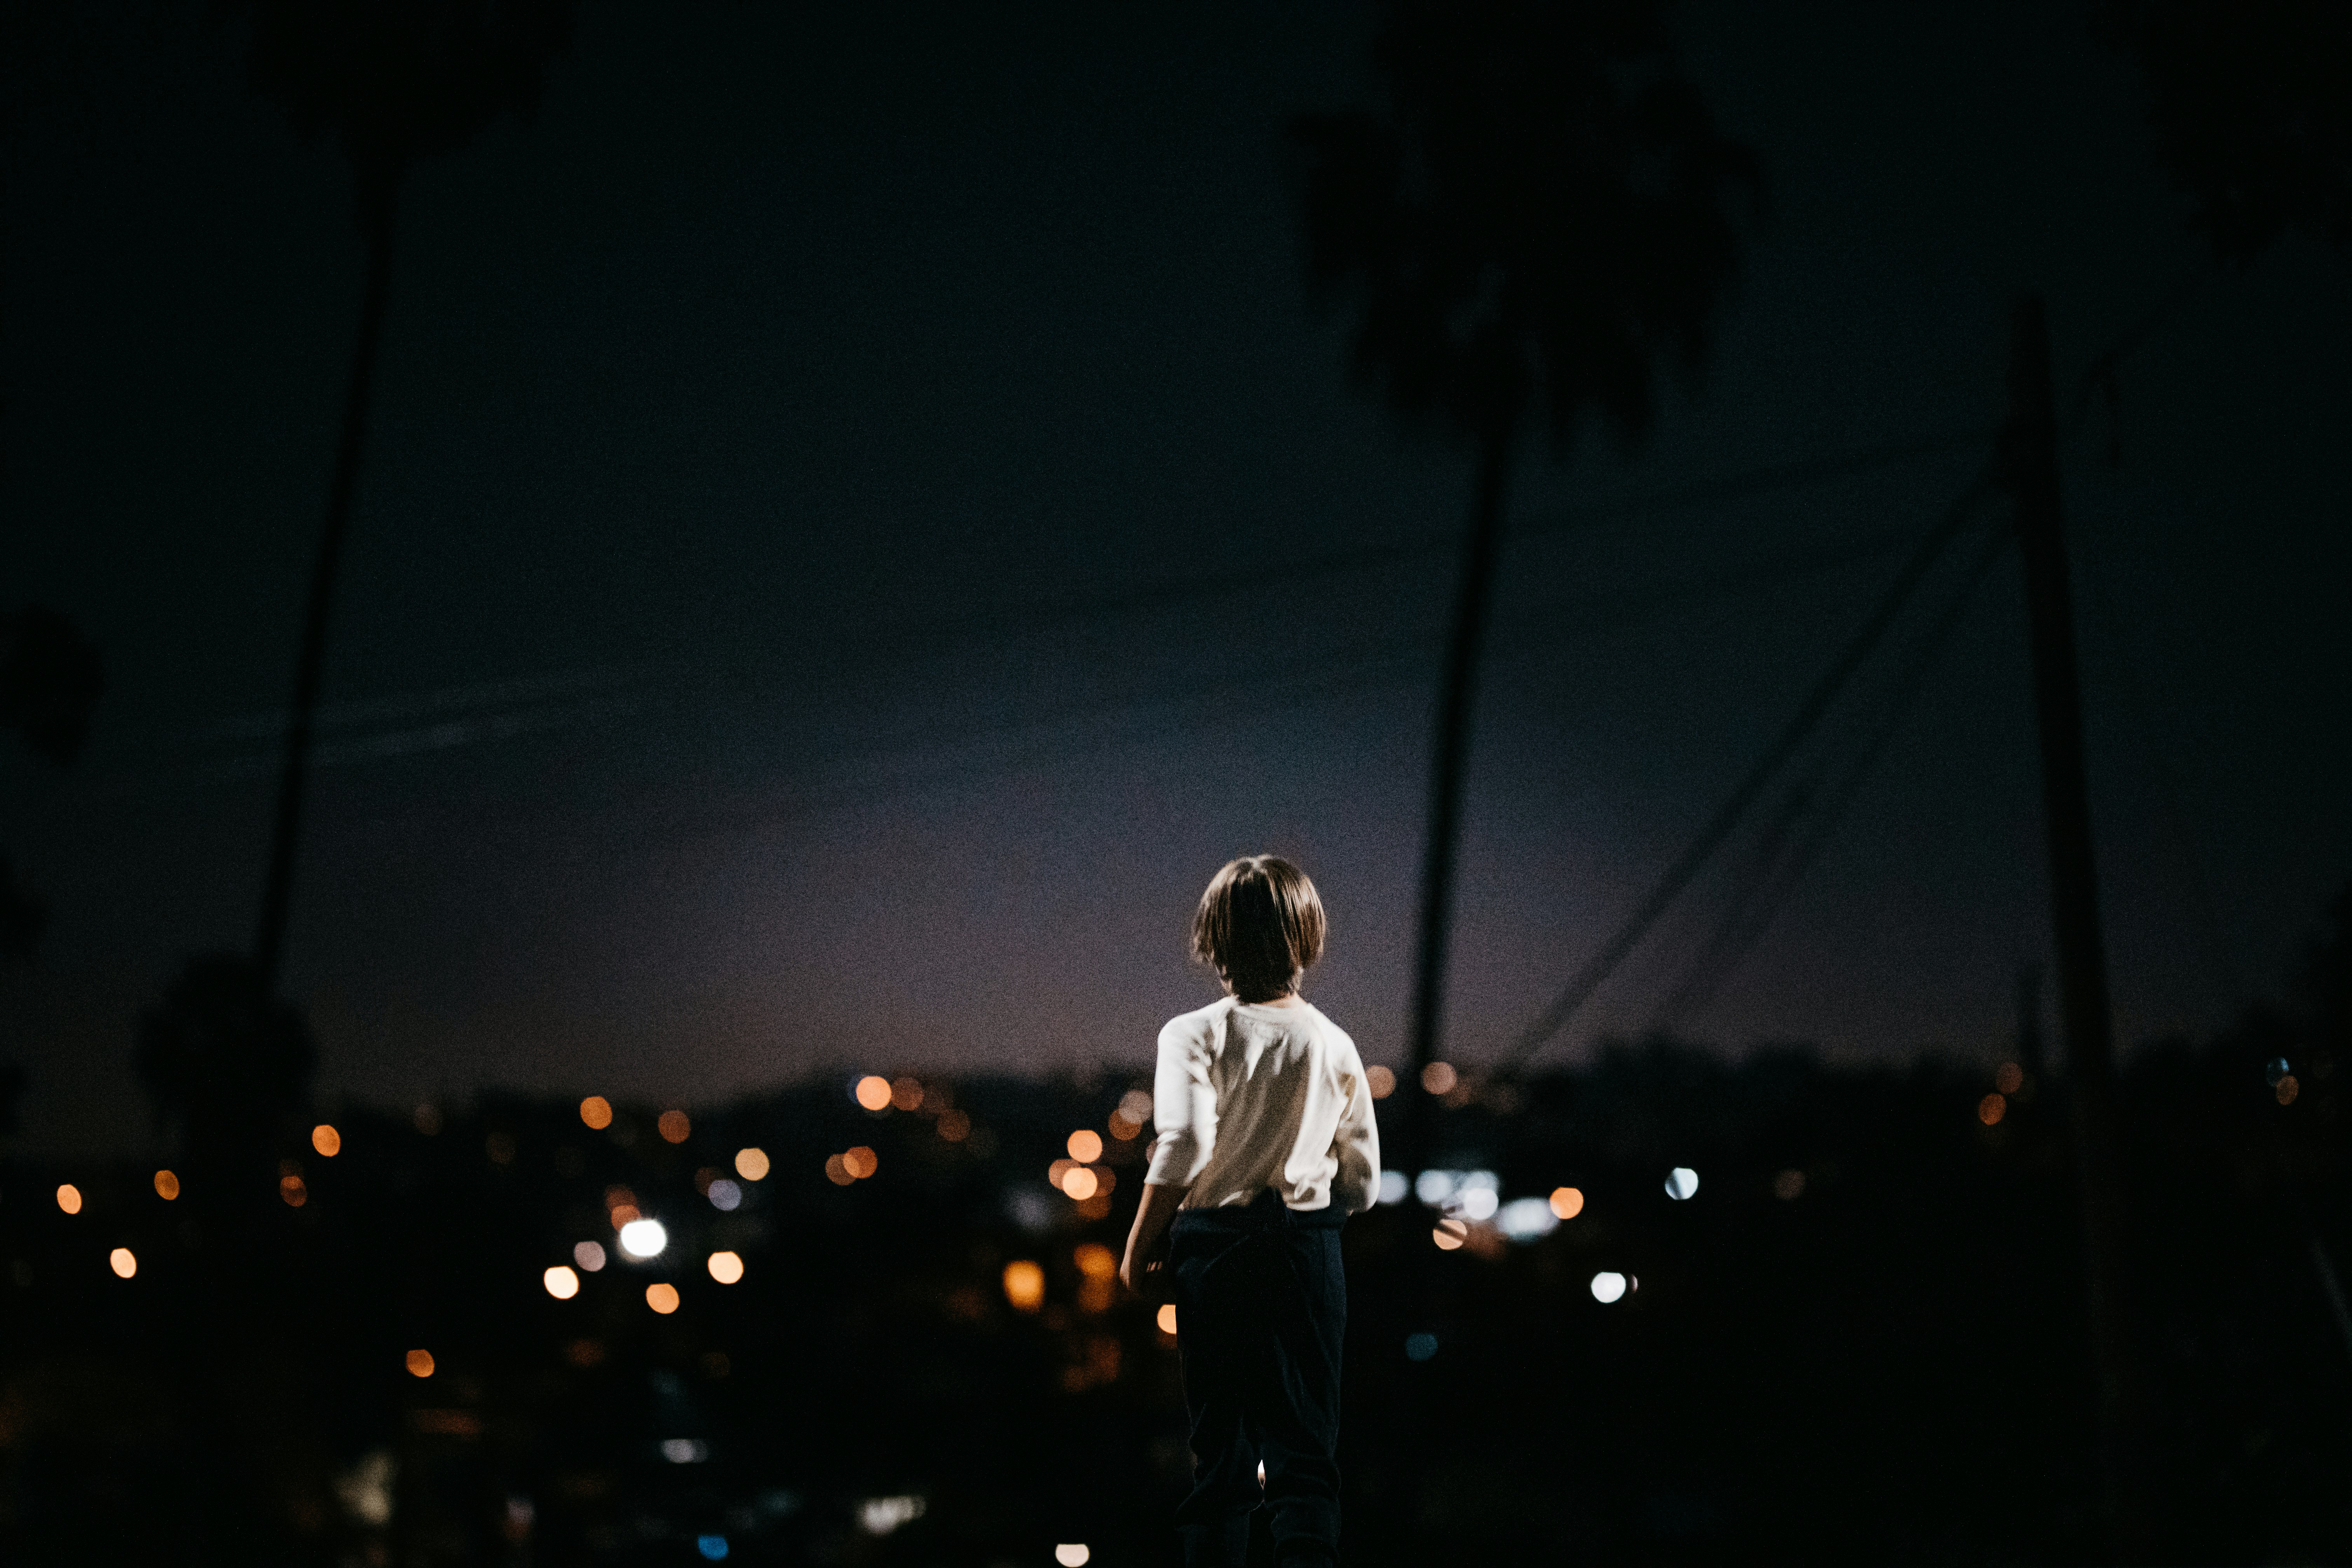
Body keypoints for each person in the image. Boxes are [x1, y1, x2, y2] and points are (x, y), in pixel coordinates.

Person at [1120, 854, 1381, 1568]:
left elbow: (1184, 1140)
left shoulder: (1193, 1033)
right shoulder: (1335, 1042)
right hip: (1305, 1248)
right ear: (1306, 936)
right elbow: (1362, 1184)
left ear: (1215, 936)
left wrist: (1138, 1244)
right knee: (1305, 1464)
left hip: (1216, 1248)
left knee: (1221, 1465)